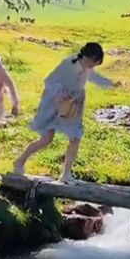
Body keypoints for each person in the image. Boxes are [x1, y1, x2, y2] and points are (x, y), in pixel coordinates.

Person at [12, 42, 115, 183]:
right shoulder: (69, 64)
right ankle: (19, 162)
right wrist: (60, 93)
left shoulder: (86, 67)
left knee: (75, 137)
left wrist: (111, 84)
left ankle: (66, 173)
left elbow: (95, 77)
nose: (93, 66)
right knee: (46, 139)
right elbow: (49, 81)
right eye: (94, 62)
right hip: (55, 104)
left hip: (72, 105)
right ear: (88, 57)